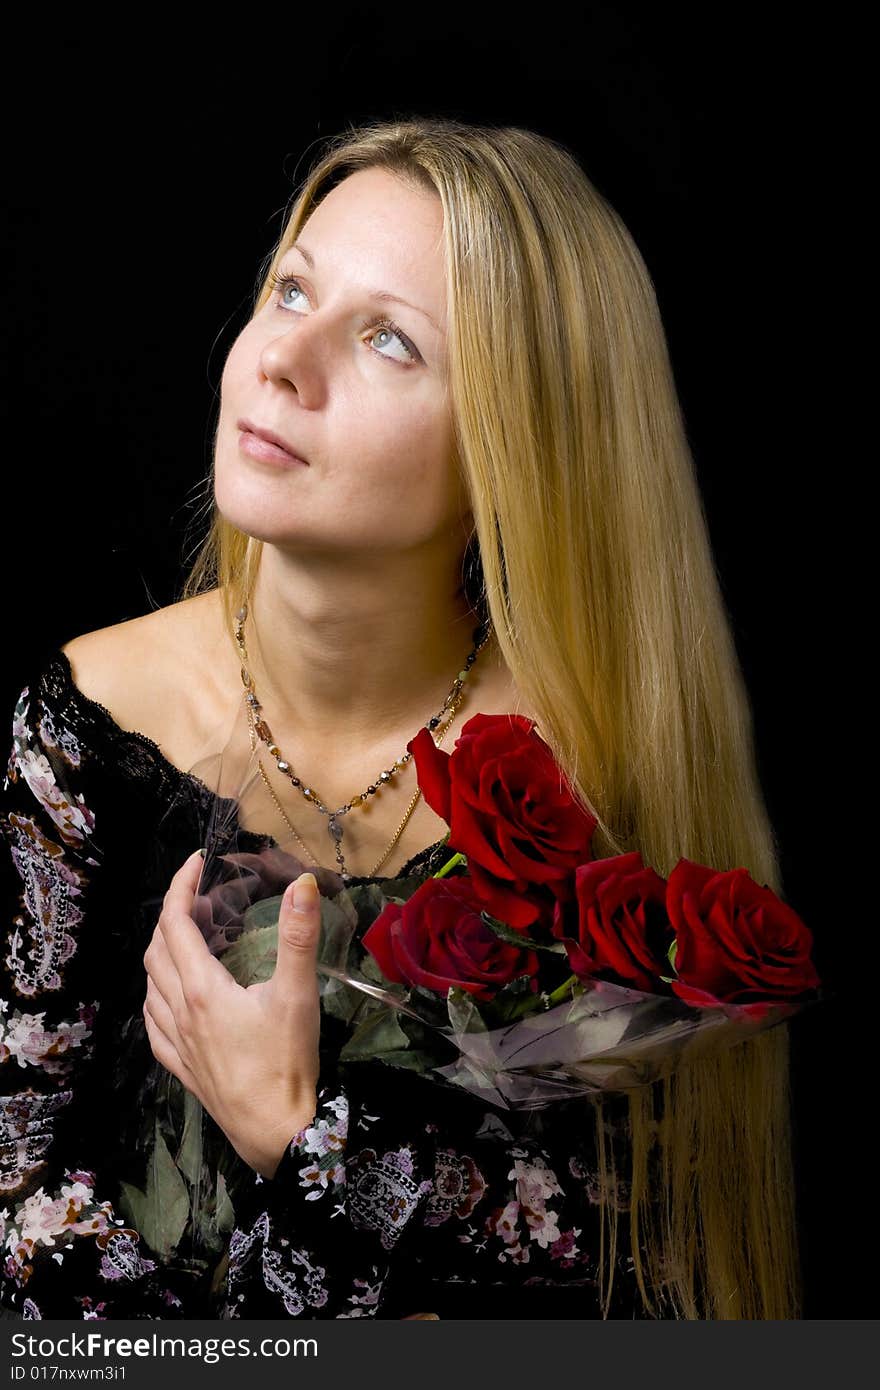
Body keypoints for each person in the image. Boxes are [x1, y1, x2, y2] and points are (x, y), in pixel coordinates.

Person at [0, 118, 801, 1321]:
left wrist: (291, 1127)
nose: (281, 358)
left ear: (511, 451)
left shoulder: (591, 776)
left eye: (387, 340)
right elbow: (22, 1221)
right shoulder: (86, 724)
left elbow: (602, 1265)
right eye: (291, 290)